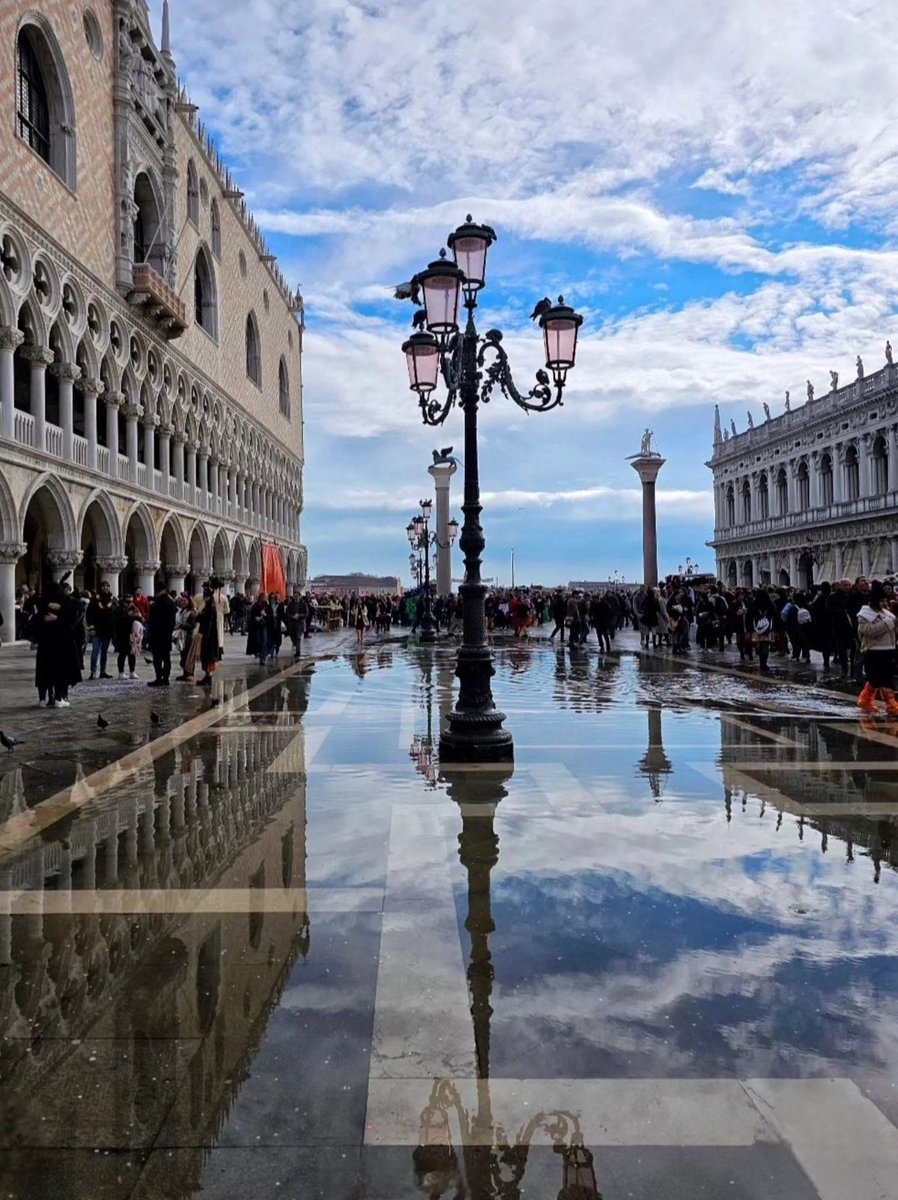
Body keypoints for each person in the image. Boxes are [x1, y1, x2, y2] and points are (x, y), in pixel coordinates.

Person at [34, 580, 82, 707]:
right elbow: (72, 619)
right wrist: (60, 615)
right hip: (61, 644)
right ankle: (58, 699)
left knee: (45, 671)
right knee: (59, 671)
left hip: (45, 645)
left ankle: (44, 699)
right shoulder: (63, 603)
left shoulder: (44, 603)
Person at [857, 581, 898, 714]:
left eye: (884, 600)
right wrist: (886, 623)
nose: (883, 603)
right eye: (881, 601)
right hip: (873, 650)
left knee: (885, 678)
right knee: (876, 678)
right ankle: (885, 703)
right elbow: (868, 630)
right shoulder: (864, 615)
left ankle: (883, 702)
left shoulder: (888, 613)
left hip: (888, 649)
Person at [147, 583, 177, 686]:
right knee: (166, 657)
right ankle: (166, 678)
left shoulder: (160, 602)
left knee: (158, 658)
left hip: (158, 634)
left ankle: (159, 678)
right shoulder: (170, 601)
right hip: (167, 634)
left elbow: (155, 619)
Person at [86, 581, 116, 679]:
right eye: (103, 586)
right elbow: (89, 614)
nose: (105, 588)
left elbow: (115, 614)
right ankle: (93, 671)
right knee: (95, 651)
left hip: (107, 630)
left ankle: (103, 671)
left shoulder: (113, 599)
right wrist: (91, 628)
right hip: (96, 629)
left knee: (104, 652)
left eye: (107, 586)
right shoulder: (94, 600)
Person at [196, 586, 221, 687]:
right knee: (206, 656)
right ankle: (207, 676)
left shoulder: (210, 607)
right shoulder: (209, 606)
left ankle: (208, 677)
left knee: (208, 656)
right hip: (209, 634)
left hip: (209, 636)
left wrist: (199, 617)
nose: (204, 597)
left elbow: (207, 621)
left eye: (205, 596)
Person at [113, 599, 142, 680]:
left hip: (132, 635)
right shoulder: (119, 609)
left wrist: (138, 616)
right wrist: (128, 615)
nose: (129, 604)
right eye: (127, 602)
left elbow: (140, 620)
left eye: (131, 602)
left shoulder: (134, 608)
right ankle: (121, 672)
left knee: (132, 653)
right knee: (122, 653)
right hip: (122, 635)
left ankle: (132, 671)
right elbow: (117, 621)